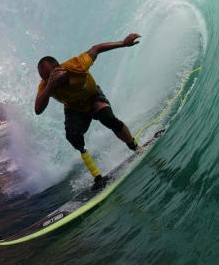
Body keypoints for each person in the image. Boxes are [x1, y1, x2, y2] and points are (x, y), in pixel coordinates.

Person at [34, 33, 142, 189]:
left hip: (93, 98)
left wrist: (124, 43)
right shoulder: (46, 85)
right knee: (73, 137)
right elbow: (37, 109)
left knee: (108, 119)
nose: (47, 80)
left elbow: (96, 49)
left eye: (50, 76)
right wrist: (50, 84)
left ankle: (135, 147)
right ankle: (97, 176)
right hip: (74, 109)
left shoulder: (77, 65)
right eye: (45, 79)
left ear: (59, 69)